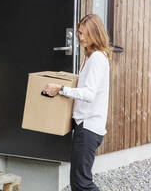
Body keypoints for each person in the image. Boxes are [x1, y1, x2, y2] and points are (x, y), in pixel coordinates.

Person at [42, 14, 111, 191]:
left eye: (86, 34)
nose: (81, 37)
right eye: (80, 33)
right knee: (79, 182)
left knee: (82, 183)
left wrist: (61, 89)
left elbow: (89, 94)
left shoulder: (96, 58)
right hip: (85, 126)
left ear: (96, 33)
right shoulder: (91, 57)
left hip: (88, 128)